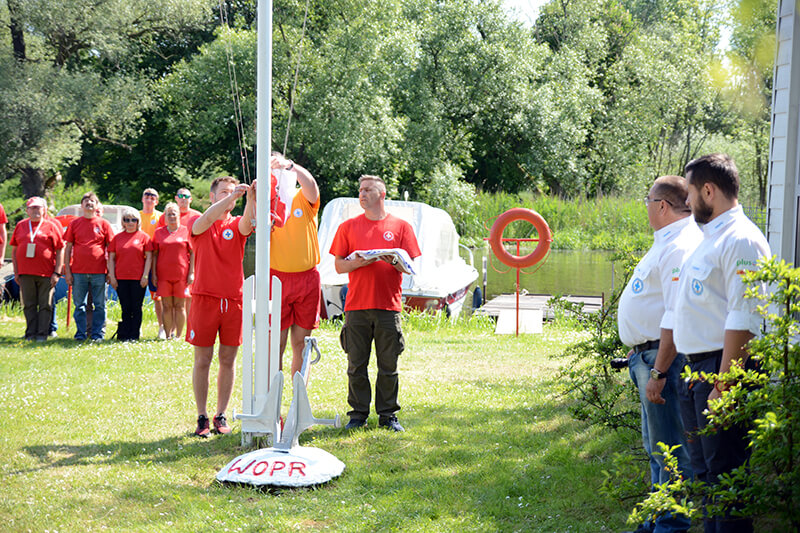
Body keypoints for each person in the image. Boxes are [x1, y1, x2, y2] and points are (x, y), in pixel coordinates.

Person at [674, 154, 771, 533]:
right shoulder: (711, 238)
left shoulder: (741, 239)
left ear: (709, 191)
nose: (687, 202)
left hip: (721, 369)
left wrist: (725, 385)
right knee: (706, 477)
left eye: (691, 193)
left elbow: (743, 318)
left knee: (727, 479)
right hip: (697, 370)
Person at [618, 176, 703, 533]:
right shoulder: (668, 241)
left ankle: (670, 525)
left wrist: (660, 372)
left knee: (670, 451)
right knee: (656, 447)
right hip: (648, 357)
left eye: (648, 199)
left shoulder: (680, 246)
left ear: (662, 206)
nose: (647, 205)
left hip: (660, 359)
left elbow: (674, 315)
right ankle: (656, 518)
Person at [330, 175, 421, 432]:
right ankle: (357, 415)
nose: (362, 194)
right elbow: (338, 266)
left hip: (388, 307)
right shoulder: (347, 227)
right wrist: (358, 262)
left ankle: (388, 416)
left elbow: (412, 266)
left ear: (381, 195)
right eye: (360, 190)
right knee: (356, 364)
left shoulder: (401, 227)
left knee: (388, 365)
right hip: (356, 306)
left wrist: (394, 261)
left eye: (368, 190)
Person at [186, 176, 255, 437]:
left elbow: (248, 226)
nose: (230, 195)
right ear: (213, 197)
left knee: (228, 359)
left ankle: (221, 414)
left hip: (233, 300)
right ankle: (202, 416)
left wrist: (251, 198)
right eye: (224, 192)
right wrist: (232, 197)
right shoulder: (198, 222)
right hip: (205, 298)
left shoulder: (236, 223)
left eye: (233, 191)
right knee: (203, 359)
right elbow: (205, 221)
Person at [269, 153, 322, 378]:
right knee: (275, 345)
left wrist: (291, 166)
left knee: (301, 344)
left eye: (278, 166)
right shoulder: (265, 202)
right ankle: (273, 403)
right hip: (276, 279)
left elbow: (312, 186)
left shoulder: (302, 197)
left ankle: (298, 404)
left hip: (307, 278)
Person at [10, 197, 64, 341]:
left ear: (44, 210)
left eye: (39, 208)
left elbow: (60, 250)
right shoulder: (21, 225)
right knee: (29, 304)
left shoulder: (51, 226)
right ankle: (30, 333)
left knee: (46, 304)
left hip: (46, 273)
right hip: (25, 273)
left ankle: (42, 334)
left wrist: (57, 272)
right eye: (32, 208)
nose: (36, 211)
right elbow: (14, 251)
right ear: (27, 211)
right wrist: (16, 272)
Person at [64, 192, 114, 341]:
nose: (89, 203)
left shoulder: (104, 224)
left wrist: (111, 272)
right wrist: (67, 271)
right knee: (80, 305)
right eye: (86, 201)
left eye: (92, 201)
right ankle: (80, 334)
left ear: (97, 205)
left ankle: (98, 334)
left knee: (100, 305)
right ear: (82, 205)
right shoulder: (74, 224)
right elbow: (68, 249)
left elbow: (111, 250)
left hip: (99, 272)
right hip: (78, 272)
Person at [107, 208, 152, 341]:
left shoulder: (144, 237)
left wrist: (145, 276)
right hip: (121, 278)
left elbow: (149, 258)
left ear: (138, 222)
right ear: (123, 222)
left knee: (136, 307)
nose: (130, 222)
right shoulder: (117, 238)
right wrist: (112, 276)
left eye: (133, 220)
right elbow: (111, 258)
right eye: (127, 220)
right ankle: (125, 334)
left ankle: (134, 335)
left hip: (138, 279)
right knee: (125, 307)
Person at [152, 202, 194, 339]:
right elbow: (154, 254)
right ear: (164, 216)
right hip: (163, 274)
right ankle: (168, 335)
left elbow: (193, 253)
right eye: (168, 214)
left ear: (179, 215)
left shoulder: (186, 231)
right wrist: (153, 273)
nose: (171, 216)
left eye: (174, 214)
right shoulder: (159, 233)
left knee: (180, 306)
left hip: (182, 274)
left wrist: (191, 272)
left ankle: (178, 335)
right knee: (167, 305)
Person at [139, 187, 166, 339]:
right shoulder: (136, 215)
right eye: (146, 196)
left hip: (155, 261)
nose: (149, 199)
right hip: (138, 260)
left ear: (156, 201)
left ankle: (162, 327)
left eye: (152, 197)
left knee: (157, 297)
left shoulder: (161, 216)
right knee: (138, 297)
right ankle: (137, 326)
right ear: (142, 199)